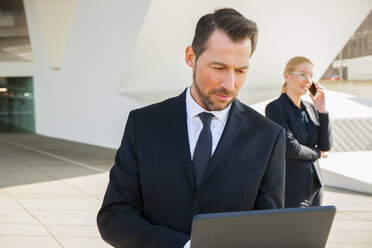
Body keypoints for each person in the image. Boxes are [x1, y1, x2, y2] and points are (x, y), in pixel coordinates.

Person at [97, 8, 286, 248]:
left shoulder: (268, 137)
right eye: (218, 67)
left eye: (240, 71)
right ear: (191, 56)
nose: (229, 84)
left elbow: (267, 231)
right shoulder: (143, 124)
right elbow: (114, 216)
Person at [265, 56, 332, 208]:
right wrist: (318, 153)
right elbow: (291, 148)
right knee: (295, 231)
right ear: (286, 75)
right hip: (292, 189)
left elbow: (326, 145)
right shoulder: (275, 109)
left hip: (316, 187)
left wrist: (322, 111)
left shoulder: (311, 108)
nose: (307, 80)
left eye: (310, 75)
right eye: (302, 74)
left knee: (315, 231)